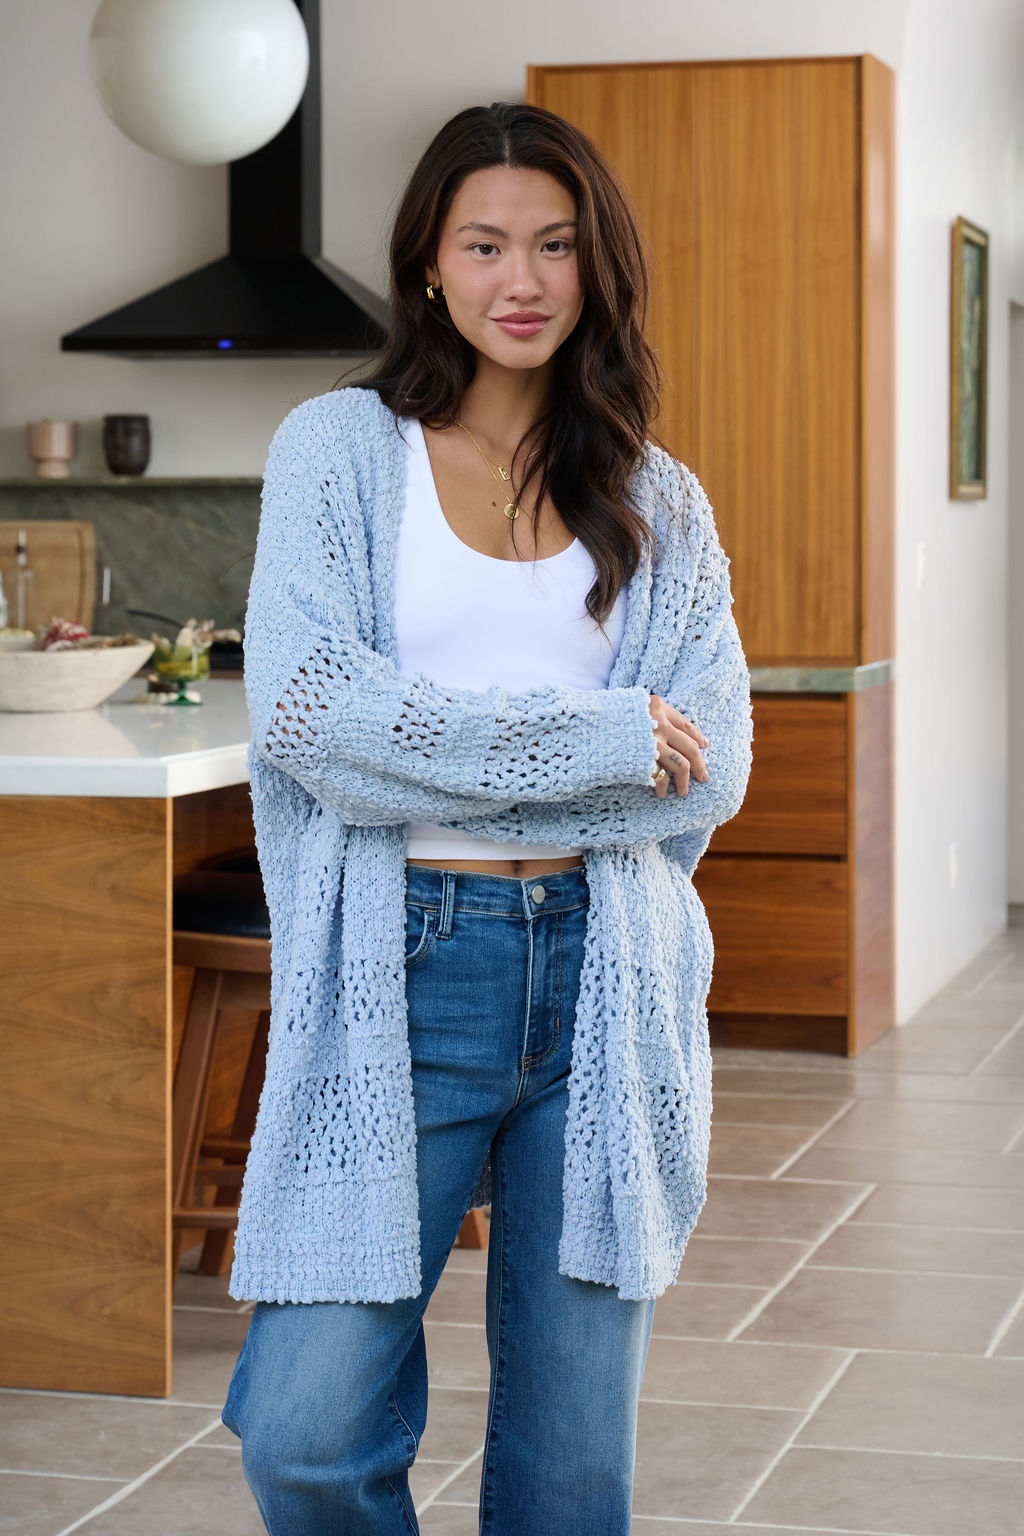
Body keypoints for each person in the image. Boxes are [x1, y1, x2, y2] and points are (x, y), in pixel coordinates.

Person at [222, 100, 752, 1536]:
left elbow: (711, 767)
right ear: (433, 266)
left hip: (608, 973)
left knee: (572, 1479)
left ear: (597, 267)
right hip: (405, 969)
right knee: (302, 1426)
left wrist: (463, 756)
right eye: (486, 243)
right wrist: (601, 744)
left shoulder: (660, 500)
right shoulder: (340, 452)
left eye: (557, 244)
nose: (522, 279)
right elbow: (317, 720)